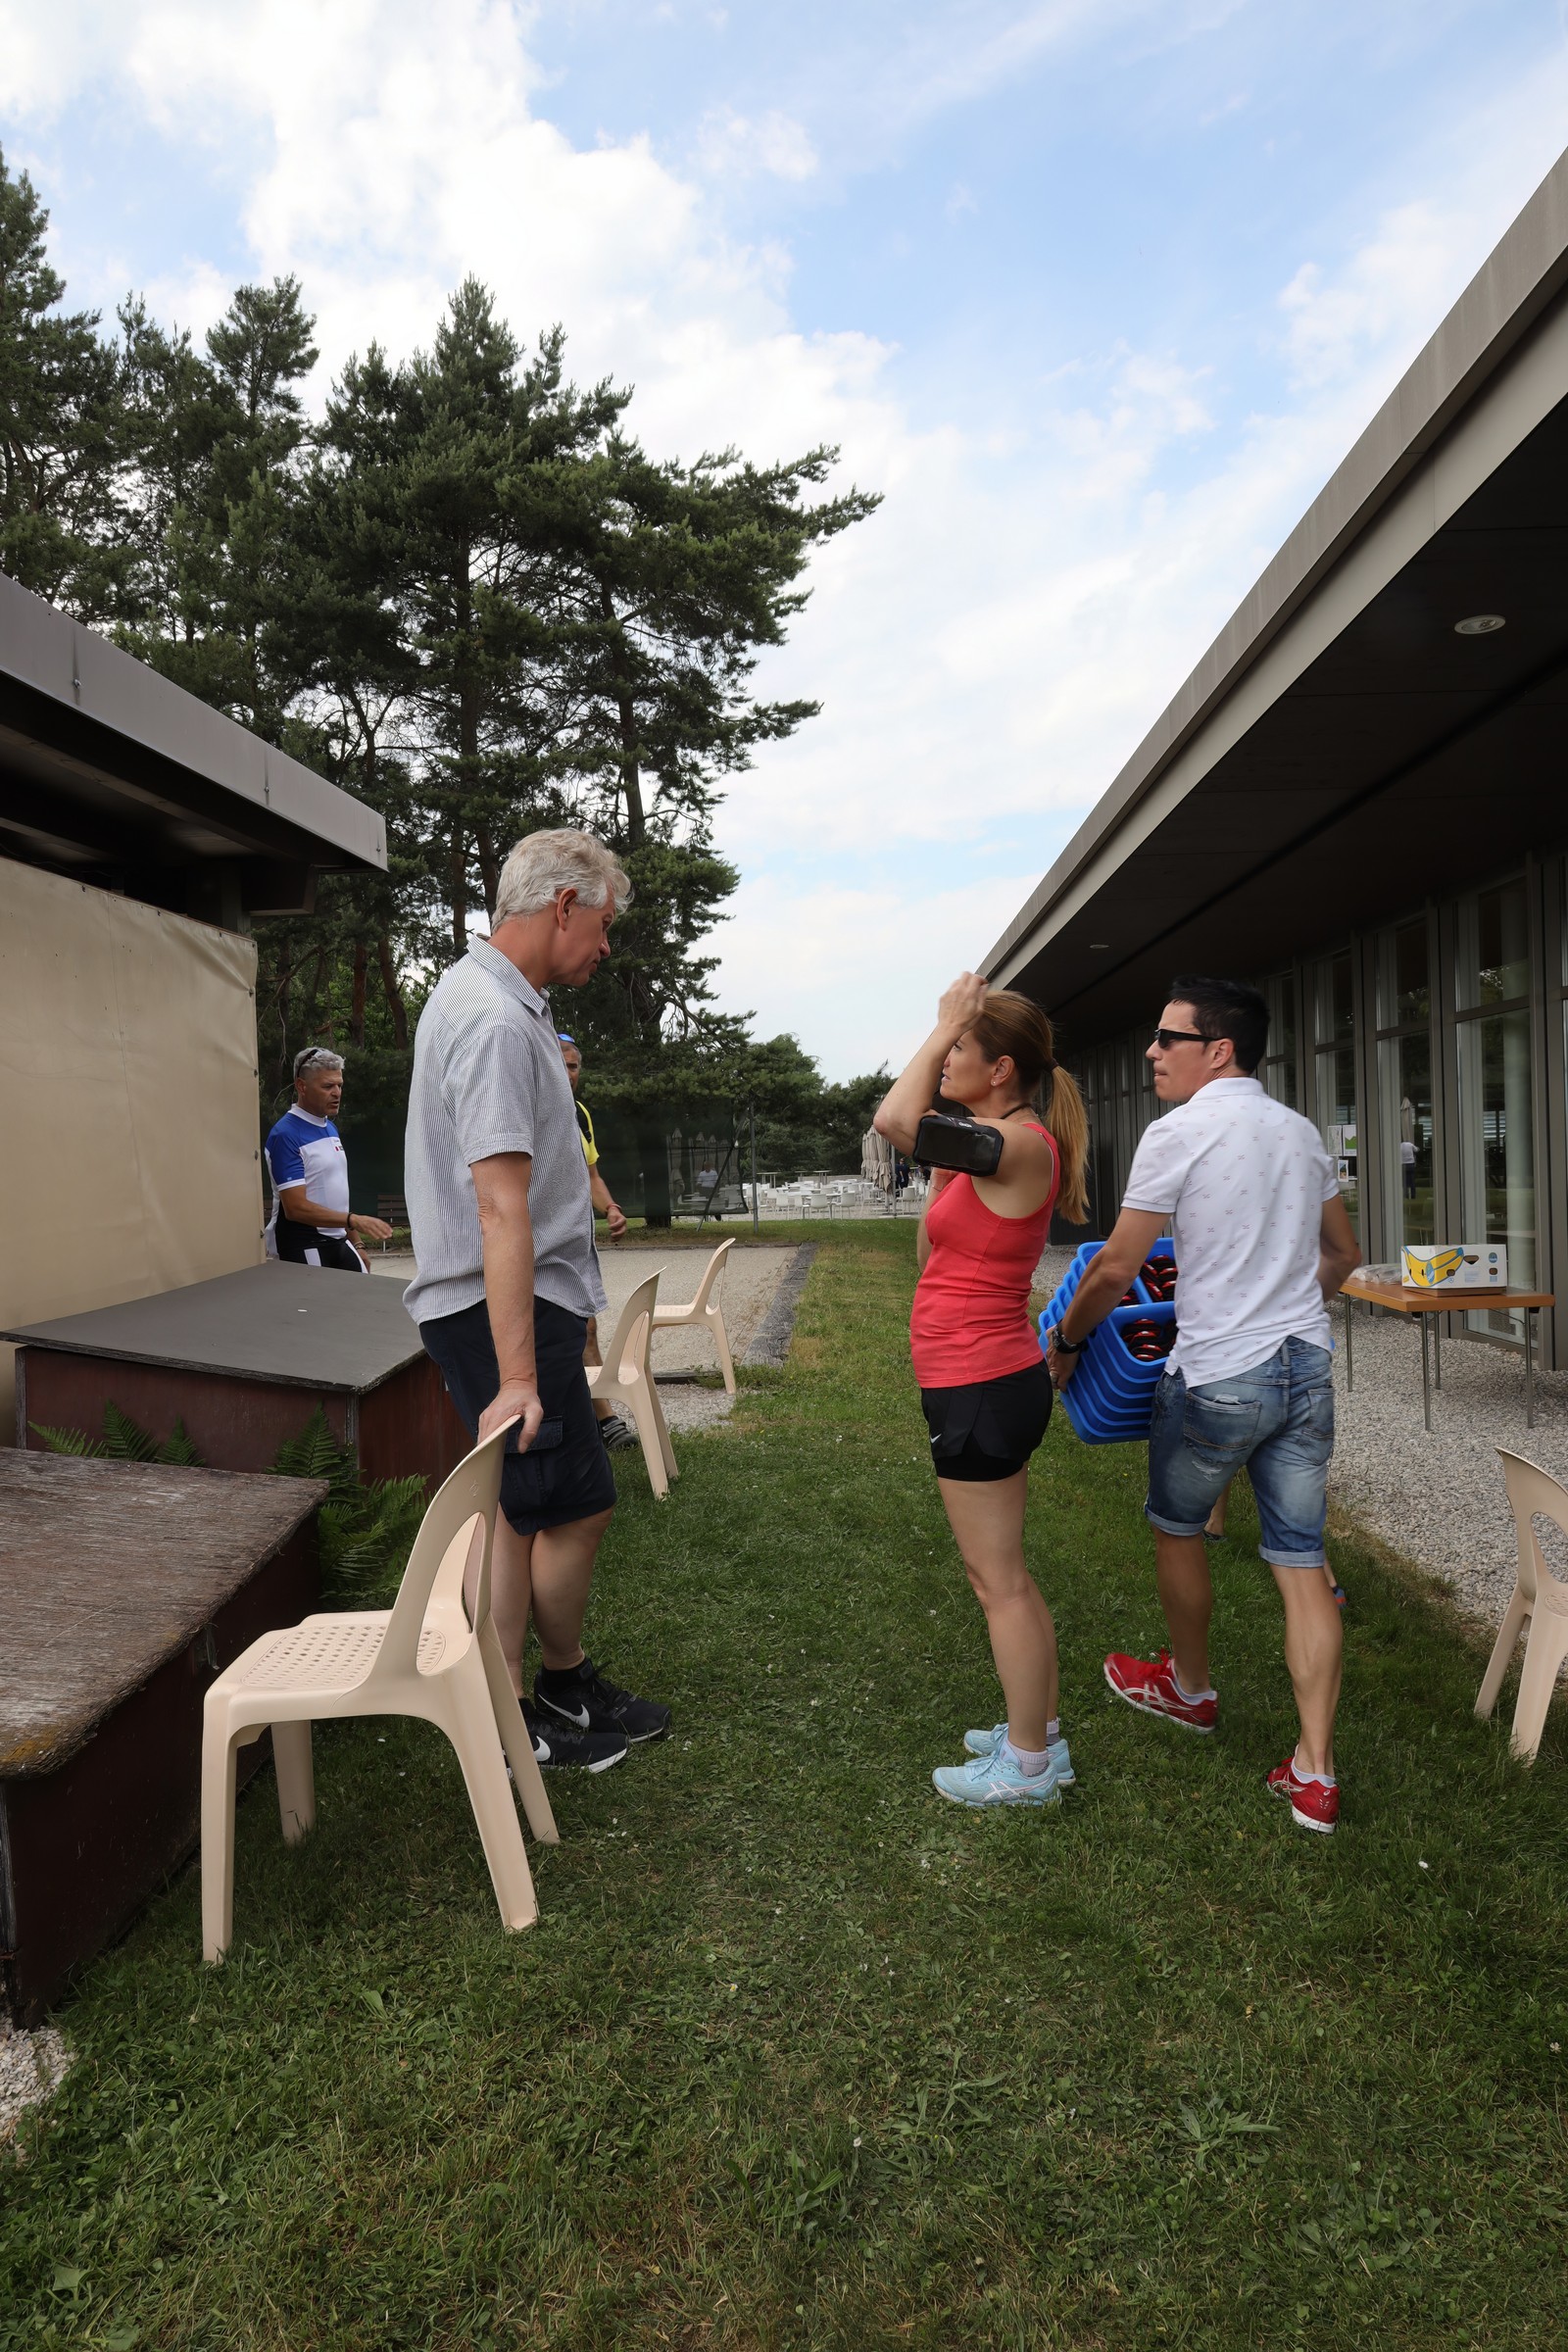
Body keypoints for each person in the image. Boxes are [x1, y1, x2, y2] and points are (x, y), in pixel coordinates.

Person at [1045, 976, 1361, 1835]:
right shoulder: (1300, 1133)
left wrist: (1066, 1342)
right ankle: (1315, 1773)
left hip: (1219, 1373)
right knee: (1301, 1560)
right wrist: (1288, 1308)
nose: (1152, 1052)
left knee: (1177, 1527)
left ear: (1218, 1050)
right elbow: (1343, 1253)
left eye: (1167, 1038)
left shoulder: (1177, 1132)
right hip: (1305, 1367)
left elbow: (1115, 1266)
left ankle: (1189, 1690)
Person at [404, 829, 670, 1773]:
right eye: (603, 924)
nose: (606, 944)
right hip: (497, 1314)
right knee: (550, 1508)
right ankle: (516, 1712)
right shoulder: (493, 1020)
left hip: (509, 1307)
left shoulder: (499, 1002)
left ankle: (552, 1686)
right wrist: (517, 1374)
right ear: (563, 907)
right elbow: (499, 1205)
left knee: (540, 1507)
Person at [874, 973, 1090, 1808]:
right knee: (1006, 1576)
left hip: (981, 1382)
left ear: (1000, 1069)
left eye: (958, 1047)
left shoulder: (1023, 1144)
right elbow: (935, 1255)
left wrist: (944, 1024)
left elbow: (894, 1120)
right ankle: (1042, 1737)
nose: (944, 1058)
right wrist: (940, 1172)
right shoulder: (986, 1146)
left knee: (997, 1581)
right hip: (977, 1378)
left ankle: (1027, 1767)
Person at [557, 1032, 637, 1454]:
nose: (567, 1072)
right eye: (559, 1063)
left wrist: (610, 1209)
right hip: (540, 1246)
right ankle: (584, 1420)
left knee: (587, 1328)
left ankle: (601, 1419)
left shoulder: (579, 1113)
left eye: (573, 1066)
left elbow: (592, 1177)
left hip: (577, 1242)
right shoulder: (525, 1108)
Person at [265, 1048, 394, 1269]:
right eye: (327, 1086)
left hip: (339, 1241)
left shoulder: (329, 1128)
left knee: (363, 1290)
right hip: (303, 1244)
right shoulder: (285, 1134)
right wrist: (354, 1219)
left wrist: (357, 1243)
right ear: (301, 1086)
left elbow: (336, 1195)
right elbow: (295, 1208)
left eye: (339, 1085)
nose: (337, 1093)